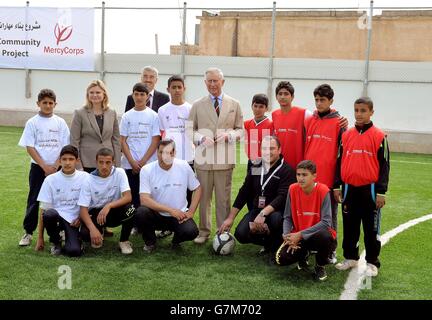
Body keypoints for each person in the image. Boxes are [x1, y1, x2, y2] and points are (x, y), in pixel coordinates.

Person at [333, 97, 390, 277]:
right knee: (350, 226)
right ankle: (351, 258)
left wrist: (381, 191)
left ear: (371, 112)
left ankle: (373, 262)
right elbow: (339, 161)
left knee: (371, 228)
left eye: (363, 110)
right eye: (356, 110)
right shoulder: (346, 135)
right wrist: (337, 186)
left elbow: (385, 165)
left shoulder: (379, 136)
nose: (359, 114)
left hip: (371, 190)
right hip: (349, 189)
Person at [188, 67, 243, 244]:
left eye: (216, 81)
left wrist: (229, 136)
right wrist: (201, 138)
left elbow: (241, 130)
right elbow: (189, 130)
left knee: (223, 199)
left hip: (224, 160)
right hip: (203, 160)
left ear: (222, 82)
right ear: (205, 83)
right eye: (209, 81)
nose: (213, 84)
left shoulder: (234, 104)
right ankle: (203, 232)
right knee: (203, 199)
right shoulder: (197, 104)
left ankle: (222, 232)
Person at [219, 135, 296, 257]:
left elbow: (282, 197)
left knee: (276, 220)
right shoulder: (256, 166)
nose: (267, 152)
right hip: (257, 210)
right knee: (241, 234)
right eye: (264, 148)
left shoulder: (287, 170)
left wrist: (263, 214)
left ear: (279, 150)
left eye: (271, 148)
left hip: (276, 211)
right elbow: (244, 192)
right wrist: (230, 218)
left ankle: (275, 247)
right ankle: (268, 243)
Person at [18, 89, 70, 246]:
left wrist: (55, 165)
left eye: (50, 103)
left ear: (55, 104)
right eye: (44, 103)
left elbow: (65, 146)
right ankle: (28, 232)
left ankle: (61, 230)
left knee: (60, 199)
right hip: (38, 168)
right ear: (38, 104)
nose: (48, 105)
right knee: (34, 199)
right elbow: (30, 147)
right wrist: (44, 166)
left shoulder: (60, 122)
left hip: (57, 168)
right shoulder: (32, 122)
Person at [135, 139, 202, 252]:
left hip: (178, 216)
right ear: (157, 152)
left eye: (167, 152)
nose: (163, 156)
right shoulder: (147, 170)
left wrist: (191, 212)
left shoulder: (184, 166)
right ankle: (150, 242)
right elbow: (144, 200)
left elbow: (198, 188)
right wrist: (170, 210)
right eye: (160, 152)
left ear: (174, 153)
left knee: (192, 231)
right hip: (156, 214)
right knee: (141, 212)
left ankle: (176, 241)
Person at [304, 84, 345, 263]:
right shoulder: (310, 120)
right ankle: (313, 246)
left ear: (331, 101)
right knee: (311, 214)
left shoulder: (339, 123)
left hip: (328, 181)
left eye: (323, 100)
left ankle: (331, 249)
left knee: (329, 217)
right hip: (309, 180)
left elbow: (342, 155)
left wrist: (337, 184)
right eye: (317, 100)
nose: (319, 103)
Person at [276, 160, 336, 282]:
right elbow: (287, 217)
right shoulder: (292, 189)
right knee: (281, 259)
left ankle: (320, 265)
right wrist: (287, 235)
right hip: (298, 236)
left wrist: (300, 234)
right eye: (298, 175)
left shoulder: (323, 191)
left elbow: (326, 222)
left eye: (304, 175)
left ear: (314, 176)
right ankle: (303, 255)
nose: (300, 178)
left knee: (326, 236)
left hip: (316, 235)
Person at [272, 81, 348, 171]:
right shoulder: (273, 116)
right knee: (255, 180)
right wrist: (260, 165)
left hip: (299, 166)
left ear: (292, 97)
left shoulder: (305, 115)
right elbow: (267, 144)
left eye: (286, 94)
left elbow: (323, 118)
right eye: (280, 94)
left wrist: (343, 121)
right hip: (273, 165)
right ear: (276, 97)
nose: (283, 97)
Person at [78, 148, 135, 255]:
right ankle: (99, 230)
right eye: (101, 162)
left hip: (113, 212)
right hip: (96, 214)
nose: (104, 166)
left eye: (108, 162)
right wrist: (92, 229)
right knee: (86, 236)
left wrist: (109, 206)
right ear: (96, 163)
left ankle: (124, 241)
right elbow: (83, 209)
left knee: (130, 208)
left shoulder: (120, 172)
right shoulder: (88, 179)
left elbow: (128, 197)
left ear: (113, 162)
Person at [34, 145, 89, 256]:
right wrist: (40, 238)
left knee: (74, 252)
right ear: (59, 161)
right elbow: (43, 210)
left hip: (75, 221)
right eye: (64, 159)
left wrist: (81, 218)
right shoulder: (50, 180)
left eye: (71, 159)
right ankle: (56, 242)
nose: (67, 163)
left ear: (77, 161)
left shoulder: (85, 178)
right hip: (57, 219)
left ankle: (76, 239)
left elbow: (90, 205)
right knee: (49, 214)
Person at [120, 82, 161, 210]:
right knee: (133, 195)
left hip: (148, 163)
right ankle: (133, 225)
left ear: (147, 97)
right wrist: (132, 162)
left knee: (148, 195)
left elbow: (155, 140)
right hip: (129, 164)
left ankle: (147, 224)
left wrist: (143, 162)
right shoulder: (127, 116)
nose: (139, 97)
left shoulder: (154, 116)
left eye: (142, 94)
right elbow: (123, 141)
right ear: (132, 96)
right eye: (136, 94)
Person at [70, 79, 121, 173]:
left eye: (98, 92)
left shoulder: (112, 112)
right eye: (91, 92)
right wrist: (78, 165)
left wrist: (117, 164)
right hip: (87, 162)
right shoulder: (79, 113)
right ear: (87, 95)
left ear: (104, 94)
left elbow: (116, 140)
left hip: (108, 162)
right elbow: (74, 141)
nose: (94, 95)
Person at [243, 93, 274, 210]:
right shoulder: (247, 124)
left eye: (261, 106)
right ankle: (251, 213)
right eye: (255, 106)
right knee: (249, 188)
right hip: (251, 162)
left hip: (264, 163)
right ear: (252, 106)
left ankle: (259, 214)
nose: (257, 109)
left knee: (260, 189)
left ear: (266, 108)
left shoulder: (271, 125)